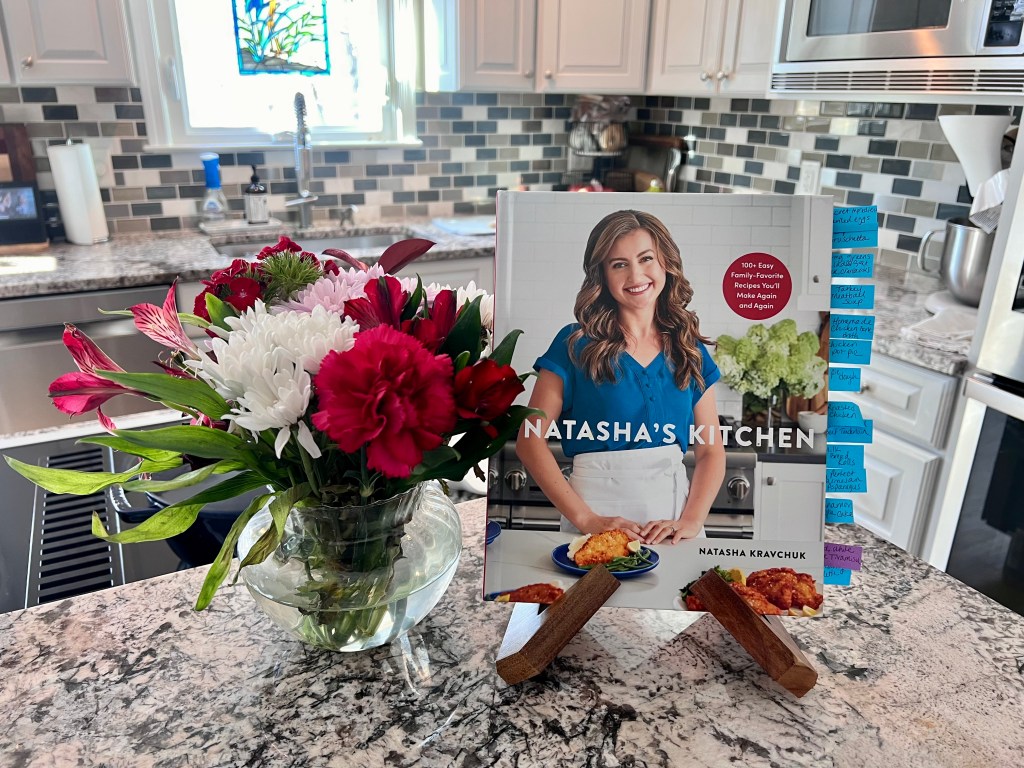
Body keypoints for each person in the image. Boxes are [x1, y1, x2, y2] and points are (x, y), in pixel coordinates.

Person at [516, 209, 725, 545]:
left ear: (666, 264)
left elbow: (711, 451)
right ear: (602, 274)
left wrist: (691, 521)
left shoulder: (690, 349)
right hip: (595, 519)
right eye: (619, 264)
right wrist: (587, 519)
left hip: (673, 521)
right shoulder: (574, 344)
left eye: (646, 259)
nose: (635, 274)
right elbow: (529, 439)